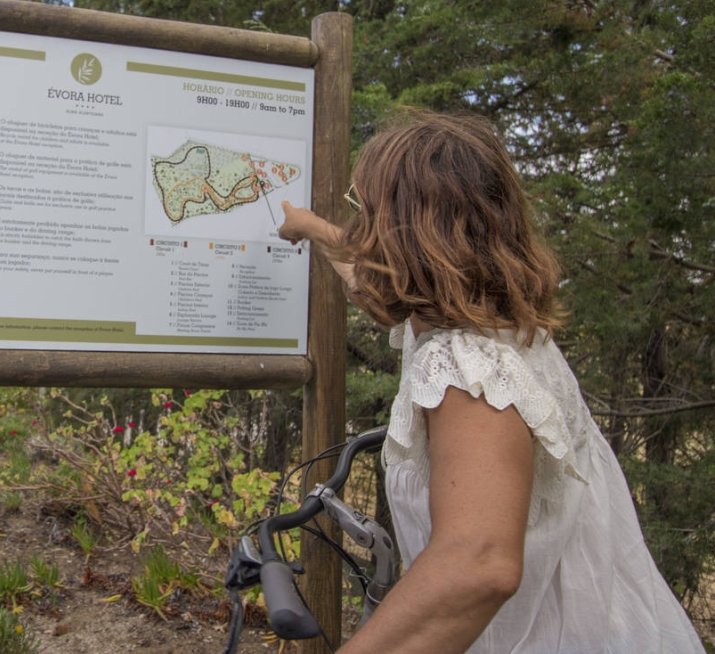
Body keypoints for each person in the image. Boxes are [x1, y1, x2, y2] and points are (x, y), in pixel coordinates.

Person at [278, 110, 704, 653]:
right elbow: (367, 273)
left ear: (403, 233)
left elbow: (477, 566)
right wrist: (309, 226)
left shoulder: (467, 370)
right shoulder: (494, 326)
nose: (358, 227)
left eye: (363, 209)